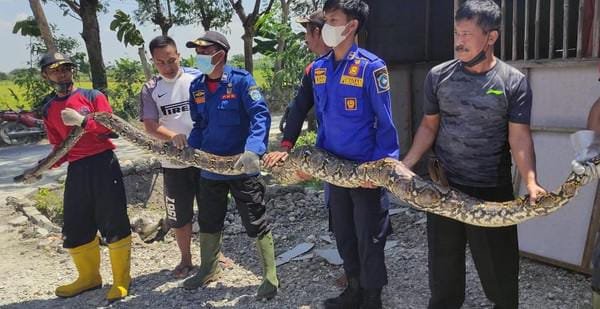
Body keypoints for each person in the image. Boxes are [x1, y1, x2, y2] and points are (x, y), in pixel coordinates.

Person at [401, 1, 546, 308]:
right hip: (443, 189)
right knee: (443, 278)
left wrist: (531, 182)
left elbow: (519, 137)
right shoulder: (438, 76)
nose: (459, 40)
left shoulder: (512, 82)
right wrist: (407, 164)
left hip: (491, 192)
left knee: (500, 277)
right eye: (456, 32)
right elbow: (428, 127)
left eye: (467, 33)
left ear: (491, 37)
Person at [270, 1, 399, 308]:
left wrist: (381, 168)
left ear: (350, 26)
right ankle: (353, 290)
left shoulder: (371, 67)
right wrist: (286, 147)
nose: (325, 26)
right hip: (331, 169)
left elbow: (385, 123)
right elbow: (299, 108)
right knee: (343, 232)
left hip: (364, 169)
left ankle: (371, 298)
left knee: (370, 236)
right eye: (326, 19)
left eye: (331, 20)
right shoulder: (318, 69)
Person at [181, 31, 278, 300]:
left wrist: (254, 149)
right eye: (197, 51)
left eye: (204, 51)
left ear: (220, 54)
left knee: (255, 219)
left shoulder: (241, 81)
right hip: (211, 167)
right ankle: (208, 269)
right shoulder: (197, 87)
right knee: (209, 219)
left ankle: (270, 275)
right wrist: (191, 149)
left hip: (242, 164)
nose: (199, 56)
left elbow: (260, 115)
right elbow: (200, 125)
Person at [38, 52, 132, 301]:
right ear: (46, 75)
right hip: (77, 169)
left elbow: (112, 128)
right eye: (55, 70)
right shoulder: (49, 109)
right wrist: (41, 169)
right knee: (76, 222)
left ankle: (122, 279)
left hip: (103, 163)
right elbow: (58, 147)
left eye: (66, 68)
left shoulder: (93, 96)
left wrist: (83, 121)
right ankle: (89, 278)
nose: (62, 73)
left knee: (113, 219)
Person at [139, 35, 202, 279]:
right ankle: (186, 260)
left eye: (171, 60)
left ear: (179, 55)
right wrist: (173, 136)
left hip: (204, 157)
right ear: (153, 61)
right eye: (161, 62)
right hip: (173, 163)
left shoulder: (197, 78)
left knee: (209, 211)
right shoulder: (151, 89)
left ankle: (212, 258)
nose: (167, 67)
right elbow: (150, 125)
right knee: (179, 215)